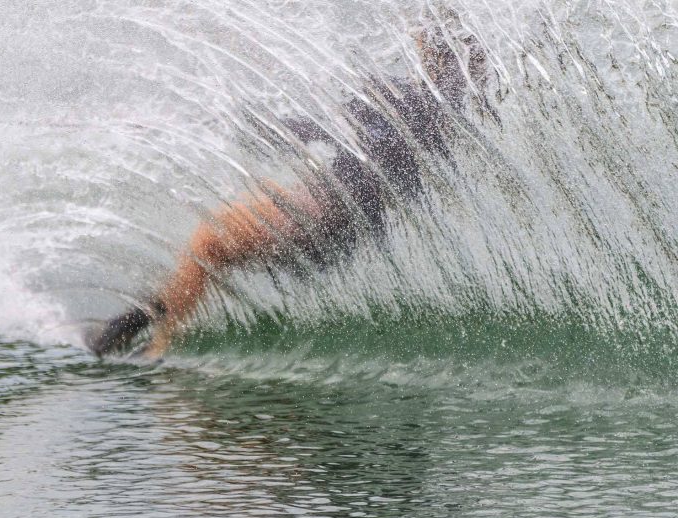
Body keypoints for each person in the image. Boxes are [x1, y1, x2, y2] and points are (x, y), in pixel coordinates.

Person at [87, 17, 493, 358]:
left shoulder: (407, 104)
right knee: (217, 236)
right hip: (336, 222)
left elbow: (317, 131)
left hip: (324, 217)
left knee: (209, 242)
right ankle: (148, 314)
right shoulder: (445, 118)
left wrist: (244, 124)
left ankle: (160, 343)